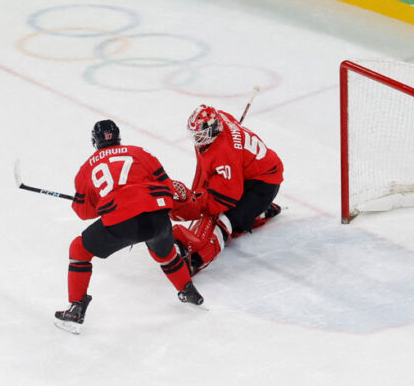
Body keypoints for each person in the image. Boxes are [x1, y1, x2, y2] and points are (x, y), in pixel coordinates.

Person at [54, 119, 203, 334]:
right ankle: (188, 291)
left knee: (79, 249)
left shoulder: (87, 168)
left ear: (95, 141)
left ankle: (76, 308)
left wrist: (101, 203)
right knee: (166, 254)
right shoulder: (139, 152)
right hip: (157, 216)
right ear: (118, 137)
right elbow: (167, 184)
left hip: (123, 221)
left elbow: (83, 212)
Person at [169, 104, 283, 275]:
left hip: (263, 184)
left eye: (200, 136)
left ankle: (196, 260)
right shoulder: (220, 118)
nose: (196, 140)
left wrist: (198, 204)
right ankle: (260, 211)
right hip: (249, 173)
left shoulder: (224, 153)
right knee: (227, 212)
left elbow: (226, 198)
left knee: (225, 220)